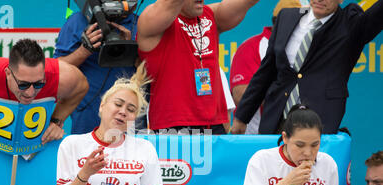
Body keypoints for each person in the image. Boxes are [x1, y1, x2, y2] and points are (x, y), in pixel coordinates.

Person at [231, 0, 383, 135]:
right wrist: (241, 117)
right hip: (276, 119)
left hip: (318, 123)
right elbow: (265, 73)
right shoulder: (286, 17)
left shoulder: (351, 24)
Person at [136, 0, 260, 134]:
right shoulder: (152, 19)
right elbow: (170, 4)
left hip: (214, 124)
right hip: (174, 126)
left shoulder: (211, 15)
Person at [54, 9, 138, 134]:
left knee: (130, 152)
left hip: (129, 118)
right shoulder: (78, 21)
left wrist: (130, 51)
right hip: (87, 117)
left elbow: (156, 74)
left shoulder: (142, 24)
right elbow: (57, 70)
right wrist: (84, 50)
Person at [229, 0, 302, 134]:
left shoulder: (309, 45)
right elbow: (240, 95)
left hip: (300, 136)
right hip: (259, 138)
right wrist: (283, 92)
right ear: (279, 22)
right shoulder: (251, 47)